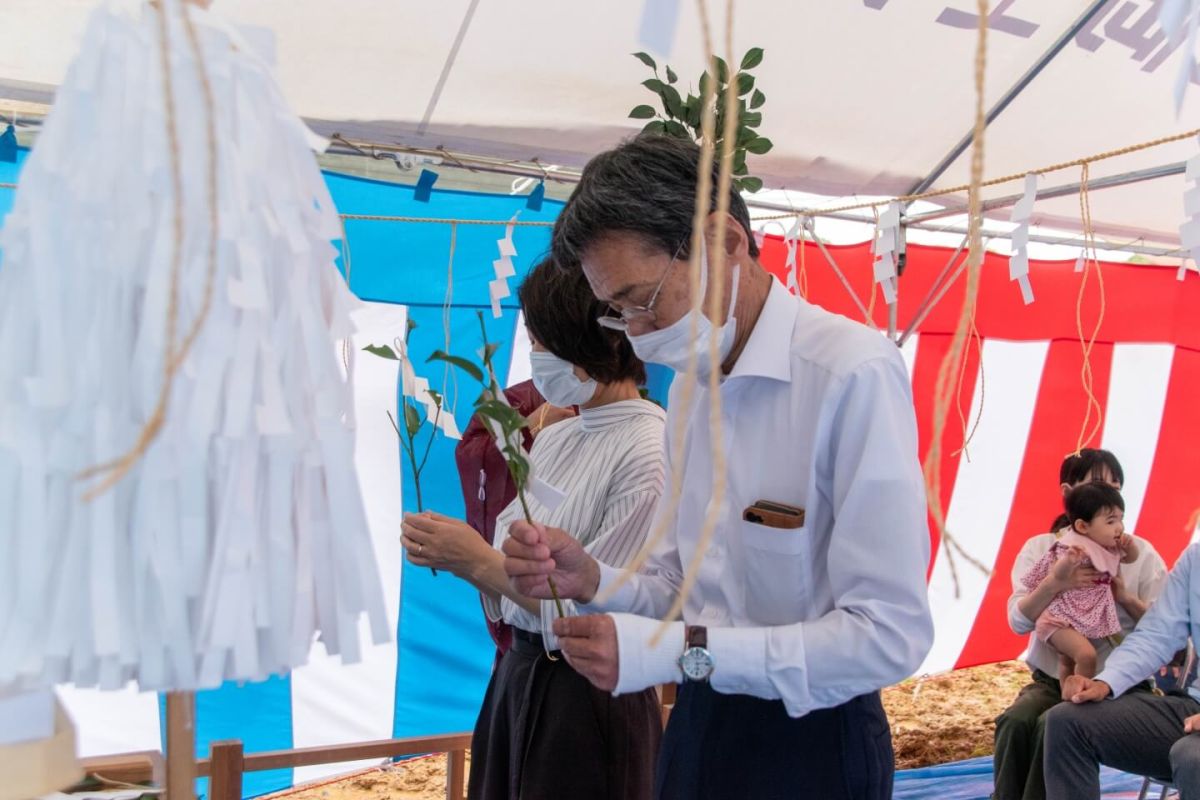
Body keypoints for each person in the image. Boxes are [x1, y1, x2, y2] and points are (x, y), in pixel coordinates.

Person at [501, 133, 934, 799]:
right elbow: (683, 588)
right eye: (618, 313)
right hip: (702, 723)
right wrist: (594, 578)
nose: (637, 333)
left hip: (813, 738)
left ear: (725, 241)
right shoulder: (689, 392)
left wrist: (678, 654)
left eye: (643, 298)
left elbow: (887, 636)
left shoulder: (849, 374)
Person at [401, 258, 667, 800]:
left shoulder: (651, 452)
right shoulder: (555, 435)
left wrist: (475, 561)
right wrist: (462, 556)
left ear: (598, 343)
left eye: (546, 343)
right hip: (519, 673)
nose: (536, 359)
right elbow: (510, 570)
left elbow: (596, 610)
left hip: (590, 696)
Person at [993, 449, 1167, 800]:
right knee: (1015, 722)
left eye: (1116, 487)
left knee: (1051, 725)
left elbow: (1168, 631)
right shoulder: (1045, 548)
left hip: (1118, 684)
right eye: (1099, 484)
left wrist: (1127, 600)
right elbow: (1017, 622)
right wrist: (1055, 584)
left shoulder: (1139, 554)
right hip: (1052, 678)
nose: (1110, 495)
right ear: (1069, 493)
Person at [1044, 543, 1200, 799]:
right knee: (1067, 721)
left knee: (1192, 756)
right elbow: (1157, 633)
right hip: (1192, 709)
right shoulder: (1196, 558)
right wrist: (1105, 681)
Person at [454, 379, 573, 660]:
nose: (539, 349)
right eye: (532, 341)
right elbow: (473, 455)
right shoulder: (515, 399)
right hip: (523, 638)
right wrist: (525, 430)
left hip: (580, 628)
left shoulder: (618, 414)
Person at [1021, 482, 1138, 683]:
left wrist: (1131, 547)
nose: (1119, 527)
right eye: (1111, 521)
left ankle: (1068, 691)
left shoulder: (1109, 547)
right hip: (1058, 620)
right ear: (1083, 526)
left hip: (1077, 621)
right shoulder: (1072, 547)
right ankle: (1079, 694)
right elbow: (1059, 573)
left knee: (1067, 662)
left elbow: (1130, 558)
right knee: (1086, 656)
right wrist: (1069, 561)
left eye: (1121, 519)